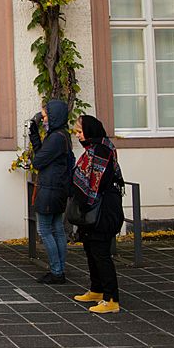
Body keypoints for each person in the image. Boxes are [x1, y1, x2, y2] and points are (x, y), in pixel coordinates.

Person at [71, 115, 125, 314]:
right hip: (94, 206)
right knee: (91, 249)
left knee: (101, 253)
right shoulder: (93, 149)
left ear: (90, 131)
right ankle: (97, 289)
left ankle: (111, 299)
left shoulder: (101, 151)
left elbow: (97, 182)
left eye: (80, 132)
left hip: (102, 207)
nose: (78, 136)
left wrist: (84, 199)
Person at [28, 99, 71, 284]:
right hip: (58, 187)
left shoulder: (55, 138)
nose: (43, 119)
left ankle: (56, 270)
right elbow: (41, 154)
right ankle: (59, 269)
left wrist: (35, 131)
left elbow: (38, 162)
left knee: (45, 229)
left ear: (53, 116)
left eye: (45, 116)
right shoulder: (61, 135)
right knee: (58, 229)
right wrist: (34, 134)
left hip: (50, 188)